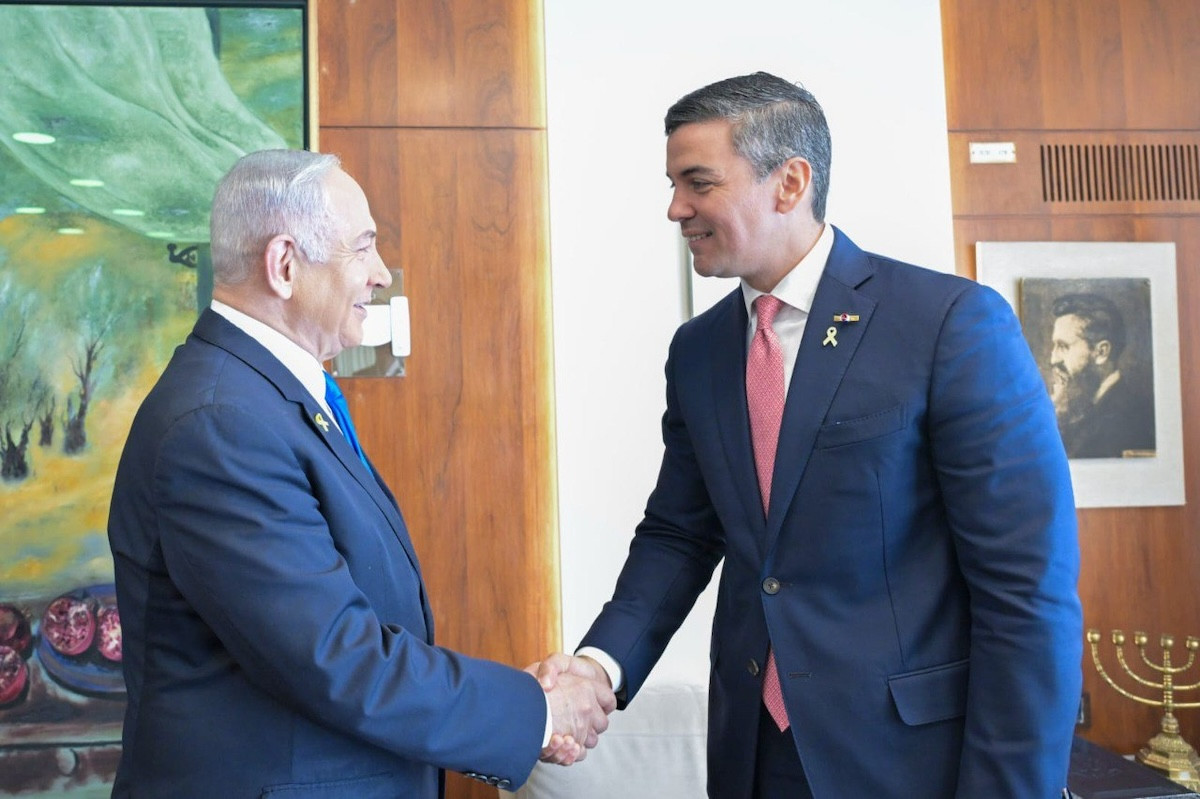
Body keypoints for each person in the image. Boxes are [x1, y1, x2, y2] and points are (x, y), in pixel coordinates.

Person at [536, 72, 1083, 798]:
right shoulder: (698, 352)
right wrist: (599, 665)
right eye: (671, 184)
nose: (676, 208)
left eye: (698, 182)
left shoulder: (948, 323)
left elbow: (1027, 592)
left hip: (915, 762)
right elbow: (678, 535)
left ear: (790, 182)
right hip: (755, 759)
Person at [107, 149, 612, 798]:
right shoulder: (220, 424)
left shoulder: (263, 399)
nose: (379, 274)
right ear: (285, 264)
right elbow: (335, 655)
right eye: (363, 247)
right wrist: (534, 711)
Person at [1048, 292, 1156, 458]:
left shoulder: (1132, 419)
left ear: (1101, 352)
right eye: (1054, 346)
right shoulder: (1076, 410)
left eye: (1063, 346)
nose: (1053, 359)